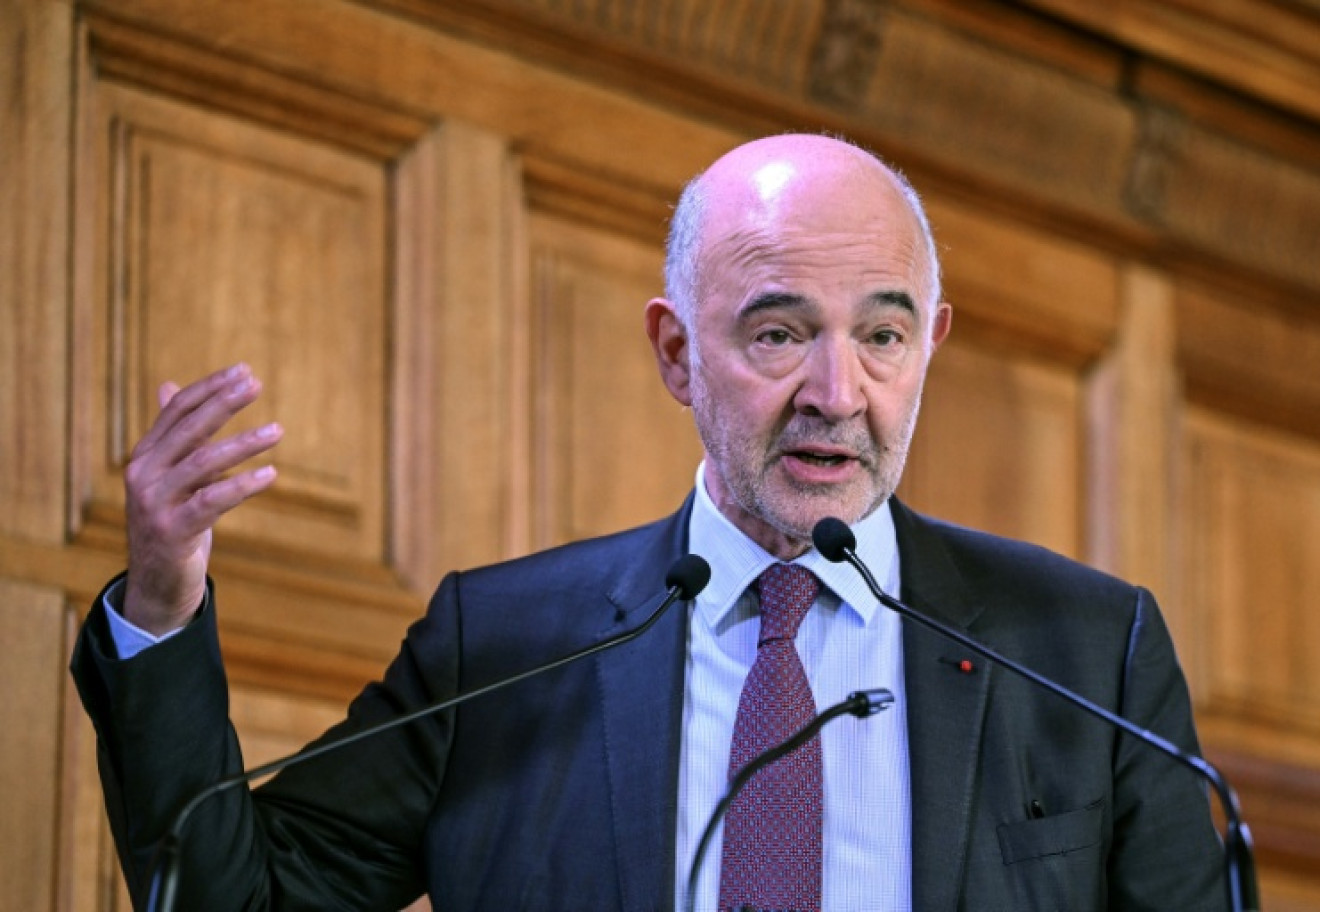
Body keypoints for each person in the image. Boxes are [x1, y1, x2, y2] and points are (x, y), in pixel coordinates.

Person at [71, 134, 1226, 911]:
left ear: (930, 345)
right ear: (677, 352)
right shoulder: (507, 646)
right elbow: (242, 897)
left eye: (882, 335)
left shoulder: (1086, 653)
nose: (838, 391)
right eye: (778, 333)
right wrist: (163, 609)